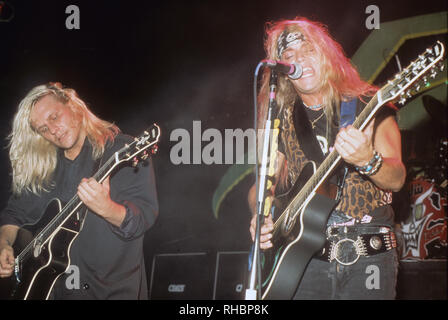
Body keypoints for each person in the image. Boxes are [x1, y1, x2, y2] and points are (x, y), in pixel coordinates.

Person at [248, 17, 406, 299]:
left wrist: (368, 160)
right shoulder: (279, 119)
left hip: (368, 257)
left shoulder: (368, 104)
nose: (300, 59)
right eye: (289, 55)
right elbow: (261, 184)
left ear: (326, 55)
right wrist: (260, 214)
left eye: (308, 50)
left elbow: (396, 179)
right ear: (283, 69)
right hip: (304, 259)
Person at [0, 82, 158, 299]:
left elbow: (142, 219)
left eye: (54, 117)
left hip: (110, 292)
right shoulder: (46, 169)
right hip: (54, 292)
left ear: (73, 105)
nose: (53, 130)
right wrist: (4, 243)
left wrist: (107, 208)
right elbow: (13, 214)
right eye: (43, 129)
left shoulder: (121, 150)